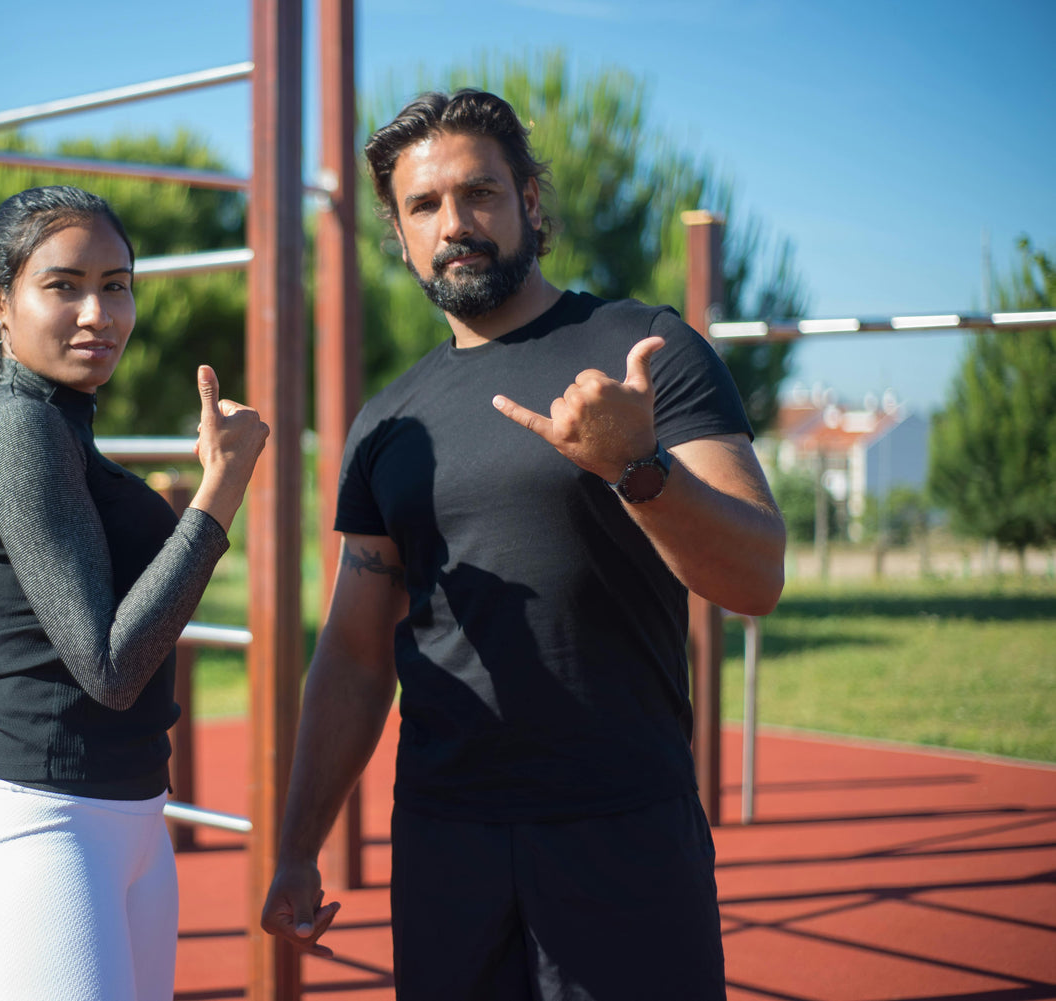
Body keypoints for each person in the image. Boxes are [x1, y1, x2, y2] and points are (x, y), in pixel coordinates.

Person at [260, 90, 786, 999]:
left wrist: (637, 466)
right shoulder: (387, 421)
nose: (454, 223)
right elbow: (352, 653)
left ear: (530, 202)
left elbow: (757, 575)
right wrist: (299, 844)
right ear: (397, 231)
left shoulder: (646, 348)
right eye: (423, 206)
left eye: (480, 194)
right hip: (445, 846)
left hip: (622, 830)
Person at [0, 185, 268, 1001]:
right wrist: (220, 493)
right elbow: (111, 666)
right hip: (44, 832)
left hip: (130, 825)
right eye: (65, 285)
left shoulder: (65, 433)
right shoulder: (16, 426)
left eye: (117, 284)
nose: (98, 312)